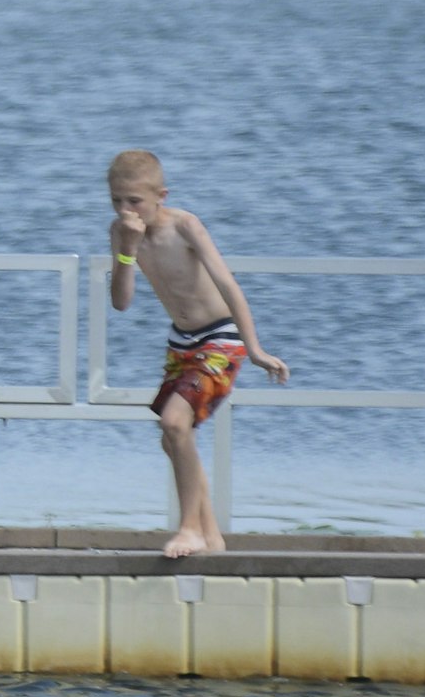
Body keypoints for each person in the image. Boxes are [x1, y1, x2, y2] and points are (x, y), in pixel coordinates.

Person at [107, 149, 290, 557]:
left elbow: (228, 285)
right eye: (116, 201)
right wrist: (127, 250)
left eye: (134, 201)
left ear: (161, 196)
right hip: (182, 343)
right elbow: (121, 301)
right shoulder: (122, 233)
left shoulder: (185, 226)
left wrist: (255, 348)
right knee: (173, 439)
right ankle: (210, 535)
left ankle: (188, 529)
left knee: (175, 423)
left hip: (220, 338)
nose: (126, 210)